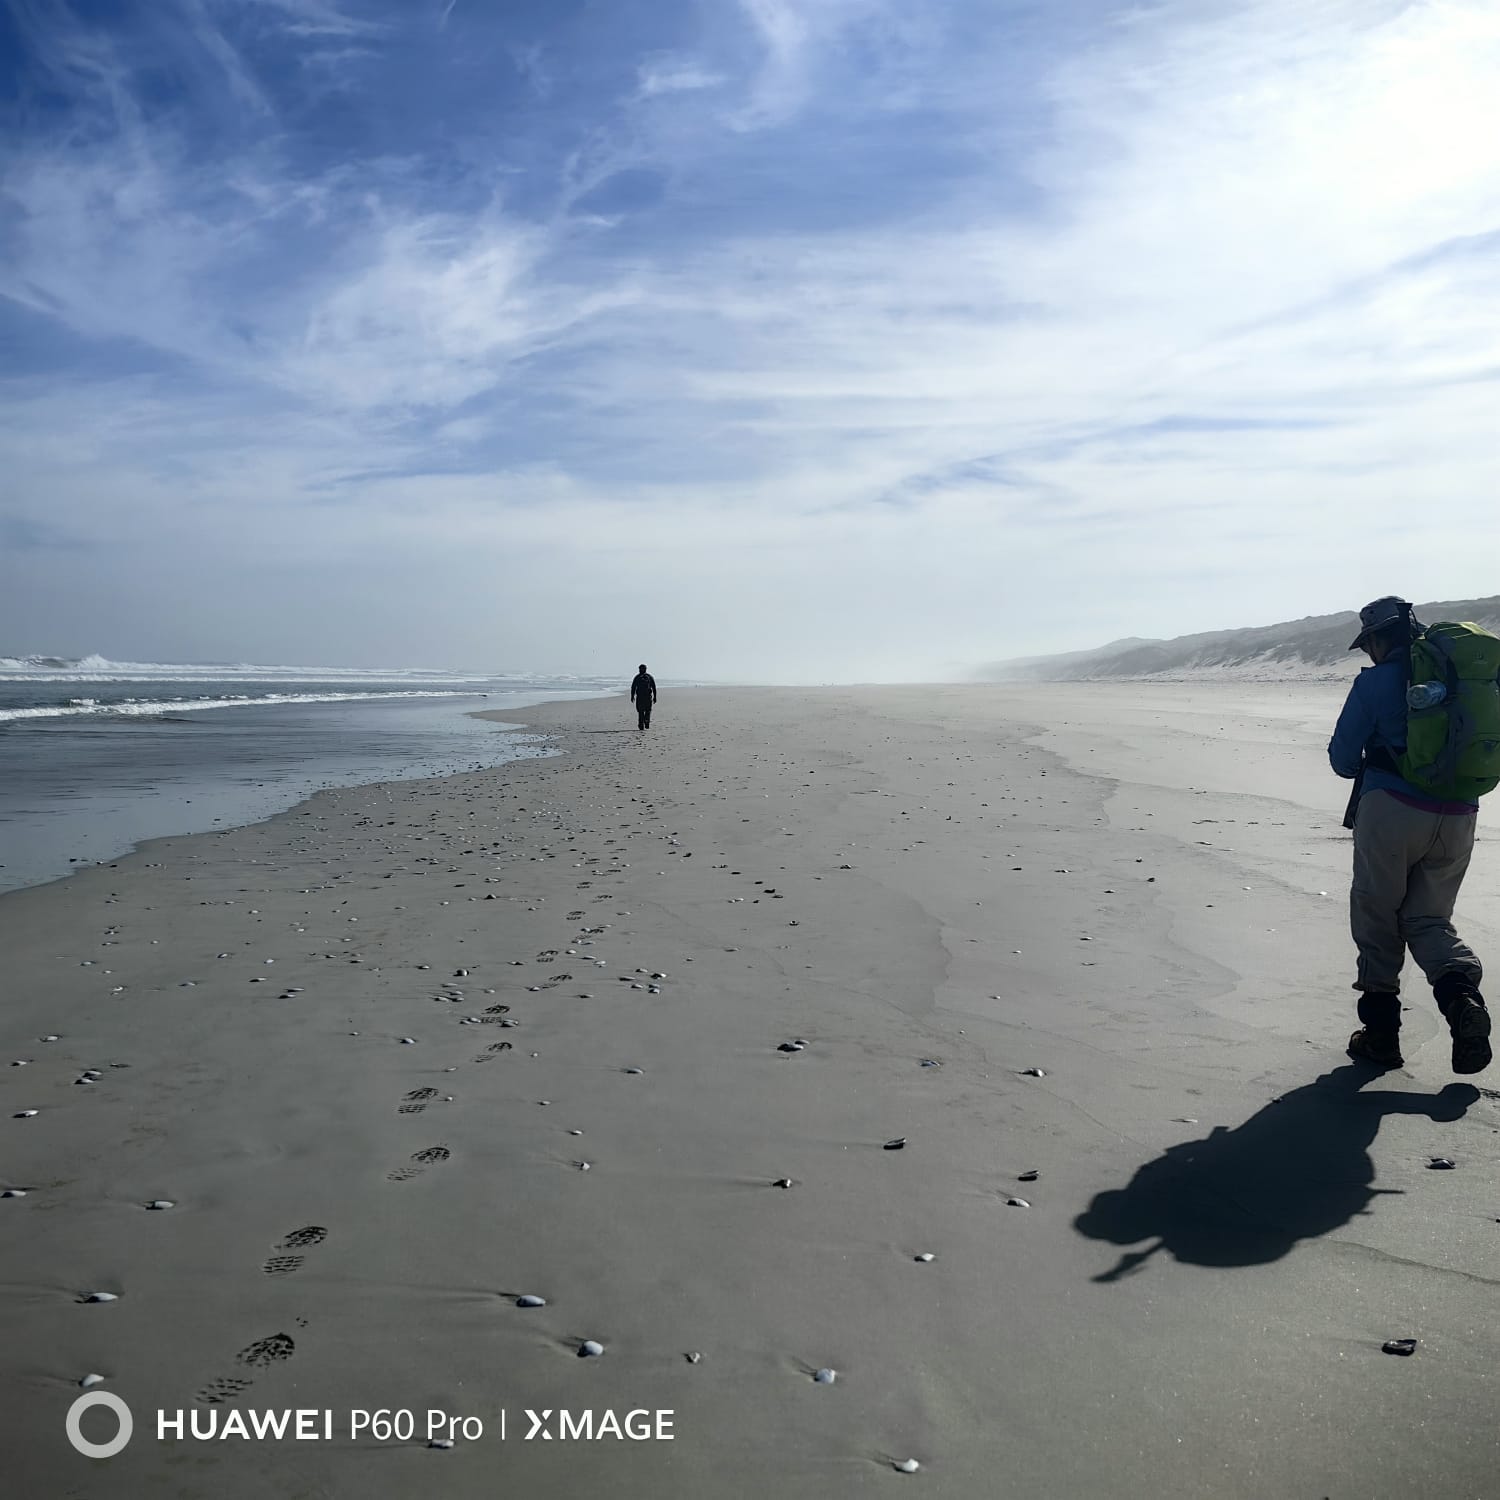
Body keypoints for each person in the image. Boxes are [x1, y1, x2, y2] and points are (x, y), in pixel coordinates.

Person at [1328, 596, 1490, 1073]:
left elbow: (1341, 759)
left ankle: (1381, 1036)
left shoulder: (1374, 683)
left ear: (1379, 639)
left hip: (1391, 812)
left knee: (1377, 917)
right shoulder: (1462, 682)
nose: (1368, 654)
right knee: (1428, 920)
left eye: (1368, 644)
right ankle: (1462, 1000)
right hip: (1460, 812)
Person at [630, 663, 657, 730]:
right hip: (647, 697)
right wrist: (655, 697)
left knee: (641, 711)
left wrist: (632, 696)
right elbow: (654, 687)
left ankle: (641, 724)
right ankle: (646, 721)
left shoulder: (637, 677)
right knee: (647, 710)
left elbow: (633, 687)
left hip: (640, 697)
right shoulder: (650, 677)